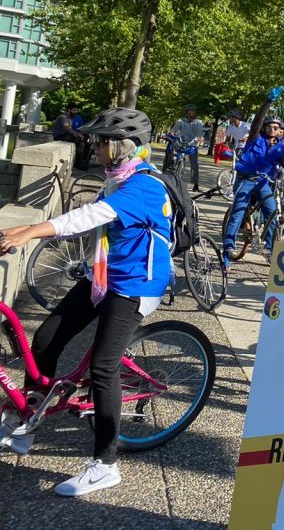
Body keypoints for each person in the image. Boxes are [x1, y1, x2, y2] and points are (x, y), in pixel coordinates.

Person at [0, 107, 172, 496]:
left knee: (103, 367)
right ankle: (26, 421)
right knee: (45, 339)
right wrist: (21, 229)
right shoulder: (116, 178)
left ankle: (105, 465)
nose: (94, 147)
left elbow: (89, 218)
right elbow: (84, 215)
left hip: (134, 285)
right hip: (103, 276)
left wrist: (29, 234)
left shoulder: (143, 186)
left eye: (101, 141)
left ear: (123, 147)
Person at [222, 87, 284, 264]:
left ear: (279, 131)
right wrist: (268, 102)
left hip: (263, 183)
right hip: (246, 178)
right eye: (269, 126)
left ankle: (269, 248)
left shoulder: (279, 146)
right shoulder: (255, 137)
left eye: (276, 128)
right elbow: (258, 120)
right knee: (238, 211)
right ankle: (228, 247)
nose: (272, 129)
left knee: (272, 212)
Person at [164, 103, 205, 192]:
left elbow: (200, 134)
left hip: (192, 145)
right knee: (174, 159)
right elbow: (173, 130)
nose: (191, 112)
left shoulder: (199, 122)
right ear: (186, 112)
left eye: (193, 110)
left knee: (194, 164)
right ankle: (173, 177)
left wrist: (200, 138)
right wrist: (171, 134)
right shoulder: (180, 121)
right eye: (189, 110)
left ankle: (195, 183)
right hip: (181, 143)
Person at [52, 101, 89, 168]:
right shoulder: (63, 117)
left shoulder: (71, 118)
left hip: (67, 135)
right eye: (74, 110)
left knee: (86, 142)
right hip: (60, 136)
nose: (76, 112)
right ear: (69, 110)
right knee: (81, 143)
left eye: (76, 110)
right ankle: (78, 164)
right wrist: (77, 134)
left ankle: (84, 162)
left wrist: (80, 134)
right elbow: (67, 128)